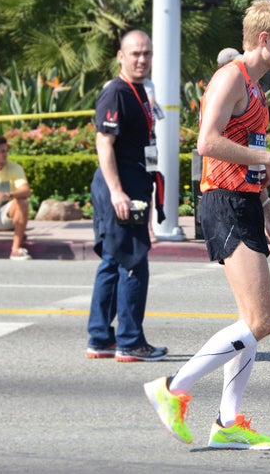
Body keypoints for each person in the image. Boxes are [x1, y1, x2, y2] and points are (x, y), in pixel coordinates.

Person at [144, 0, 270, 450]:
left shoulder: (254, 87)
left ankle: (227, 422)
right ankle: (172, 389)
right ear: (265, 39)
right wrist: (261, 156)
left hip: (246, 203)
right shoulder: (230, 78)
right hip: (223, 204)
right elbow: (207, 142)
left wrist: (269, 213)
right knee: (263, 320)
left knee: (251, 321)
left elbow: (251, 156)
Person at [86, 29, 168, 363]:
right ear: (121, 56)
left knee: (113, 259)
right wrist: (118, 192)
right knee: (134, 261)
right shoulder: (117, 92)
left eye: (146, 53)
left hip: (132, 184)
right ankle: (130, 341)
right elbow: (103, 143)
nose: (142, 59)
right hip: (120, 187)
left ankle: (100, 338)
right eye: (135, 53)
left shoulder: (139, 91)